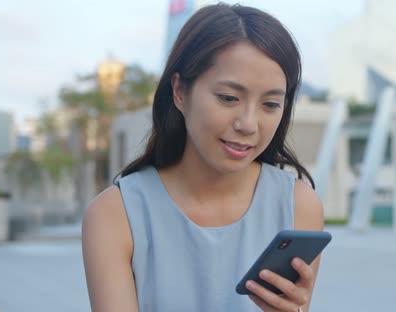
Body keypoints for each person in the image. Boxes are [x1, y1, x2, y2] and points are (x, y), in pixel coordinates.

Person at [82, 3, 325, 312]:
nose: (248, 124)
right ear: (180, 91)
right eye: (228, 98)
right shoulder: (116, 215)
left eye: (270, 104)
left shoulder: (299, 206)